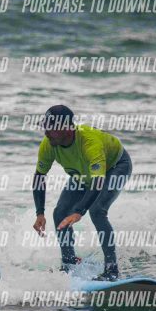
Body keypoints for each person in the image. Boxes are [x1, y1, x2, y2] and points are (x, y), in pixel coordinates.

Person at [32, 105, 132, 280]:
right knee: (60, 213)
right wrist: (40, 212)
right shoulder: (48, 144)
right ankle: (69, 263)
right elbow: (39, 176)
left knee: (97, 211)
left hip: (115, 167)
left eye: (51, 128)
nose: (46, 132)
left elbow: (98, 182)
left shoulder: (89, 142)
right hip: (83, 174)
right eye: (45, 126)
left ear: (67, 128)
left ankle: (112, 270)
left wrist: (79, 211)